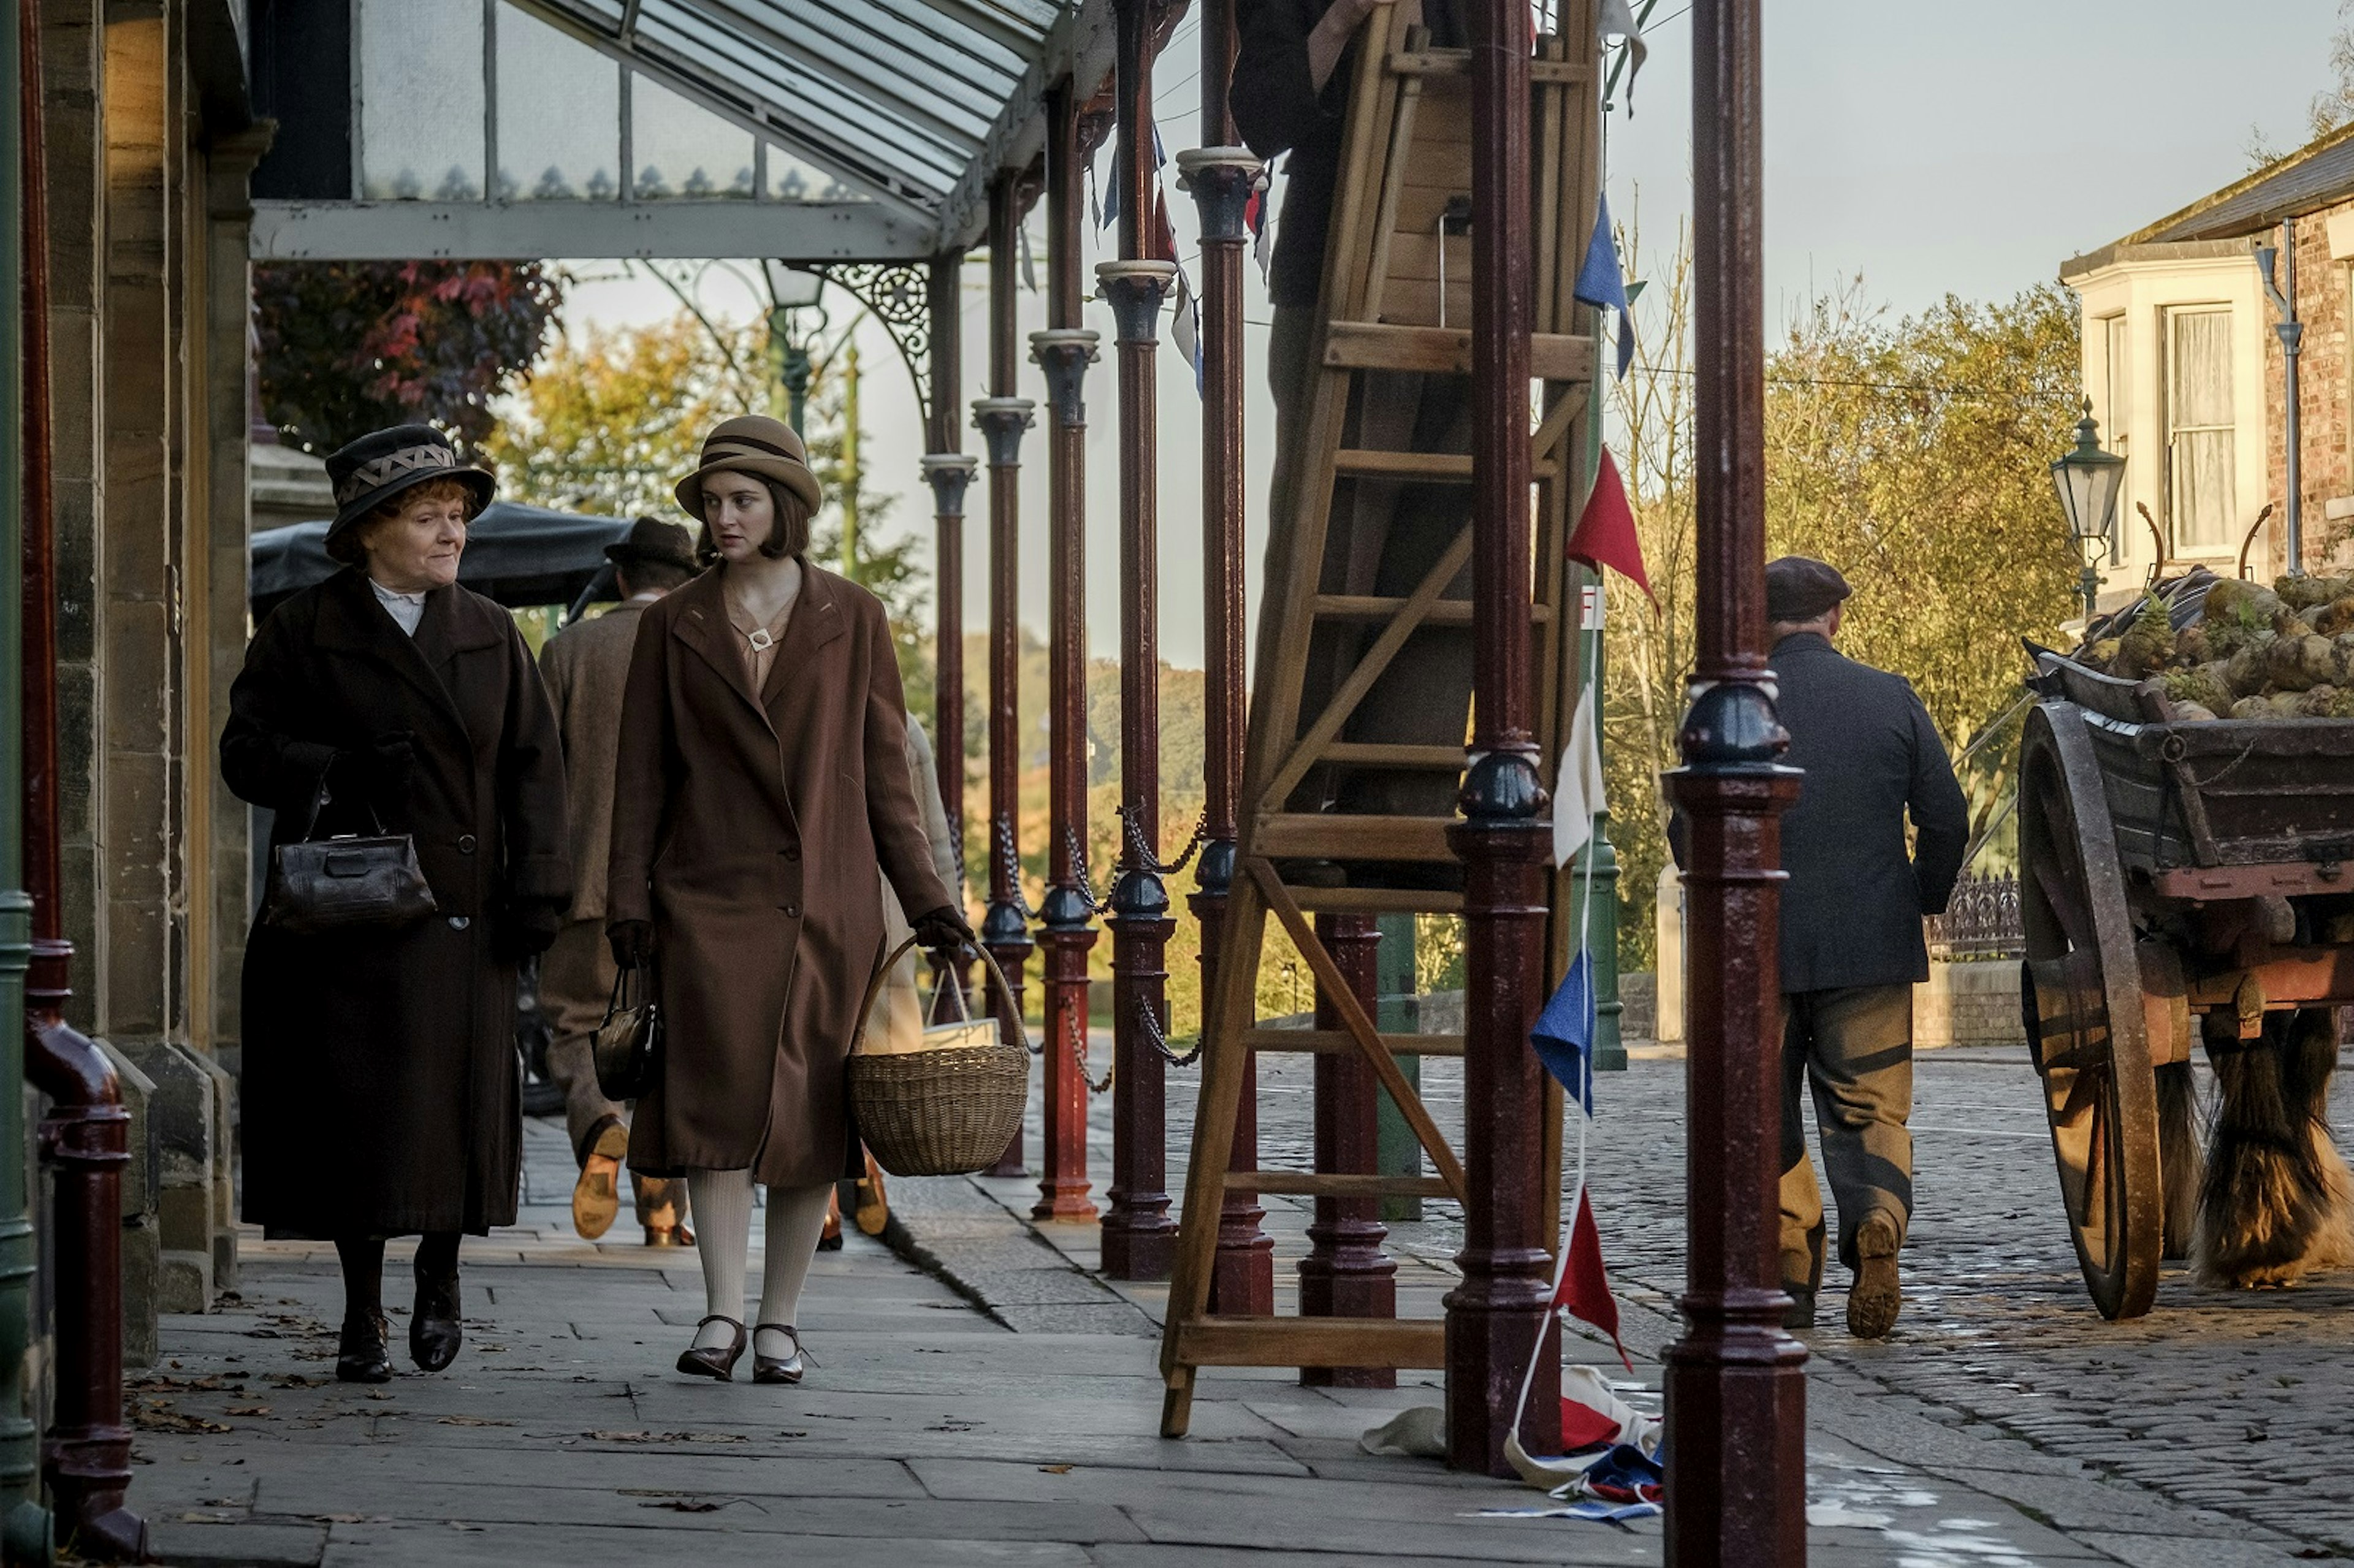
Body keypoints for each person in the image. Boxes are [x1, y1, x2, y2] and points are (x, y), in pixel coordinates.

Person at [605, 414, 970, 1385]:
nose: (722, 518)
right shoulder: (669, 621)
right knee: (713, 1105)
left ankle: (780, 1322)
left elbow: (885, 772)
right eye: (712, 502)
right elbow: (640, 776)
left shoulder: (855, 617)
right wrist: (627, 902)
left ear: (786, 508)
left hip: (829, 906)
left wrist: (928, 900)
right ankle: (720, 1314)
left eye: (742, 501)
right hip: (704, 900)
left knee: (810, 1118)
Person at [221, 425, 571, 1383]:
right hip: (350, 919)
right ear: (372, 529)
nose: (451, 532)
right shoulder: (304, 628)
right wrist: (330, 767)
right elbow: (242, 753)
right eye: (428, 516)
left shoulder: (495, 633)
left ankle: (442, 1274)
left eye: (457, 516)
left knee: (451, 1114)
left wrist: (539, 892)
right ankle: (361, 1313)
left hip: (467, 915)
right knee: (358, 1121)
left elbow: (539, 773)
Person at [1232, 0, 1473, 858]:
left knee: (1453, 554)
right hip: (1334, 283)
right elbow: (1258, 115)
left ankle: (1404, 809)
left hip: (1467, 283)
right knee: (1331, 539)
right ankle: (1300, 794)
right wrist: (1337, 23)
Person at [1767, 556, 1968, 1339]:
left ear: (1758, 623)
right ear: (1836, 619)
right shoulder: (1890, 696)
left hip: (1763, 949)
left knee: (1764, 1109)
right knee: (1870, 1105)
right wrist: (1919, 895)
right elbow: (1946, 816)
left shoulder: (1728, 701)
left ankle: (1789, 1274)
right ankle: (1877, 1217)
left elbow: (1691, 825)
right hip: (1871, 943)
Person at [537, 517, 700, 1246]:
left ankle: (601, 1121)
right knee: (675, 1038)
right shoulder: (702, 646)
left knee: (578, 1021)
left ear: (623, 577)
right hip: (683, 890)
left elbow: (538, 773)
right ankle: (666, 1211)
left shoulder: (568, 651)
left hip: (588, 881)